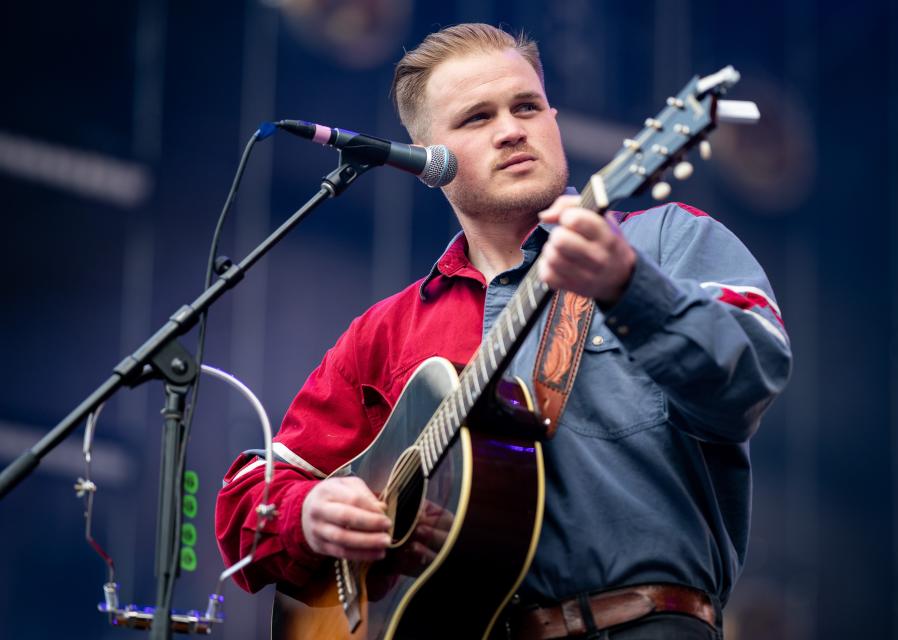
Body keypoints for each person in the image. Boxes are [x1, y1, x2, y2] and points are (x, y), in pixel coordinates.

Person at [215, 23, 792, 640]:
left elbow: (750, 375)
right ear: (427, 162)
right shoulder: (384, 332)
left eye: (527, 106)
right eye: (475, 118)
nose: (512, 129)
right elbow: (248, 496)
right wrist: (309, 515)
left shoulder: (666, 240)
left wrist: (631, 289)